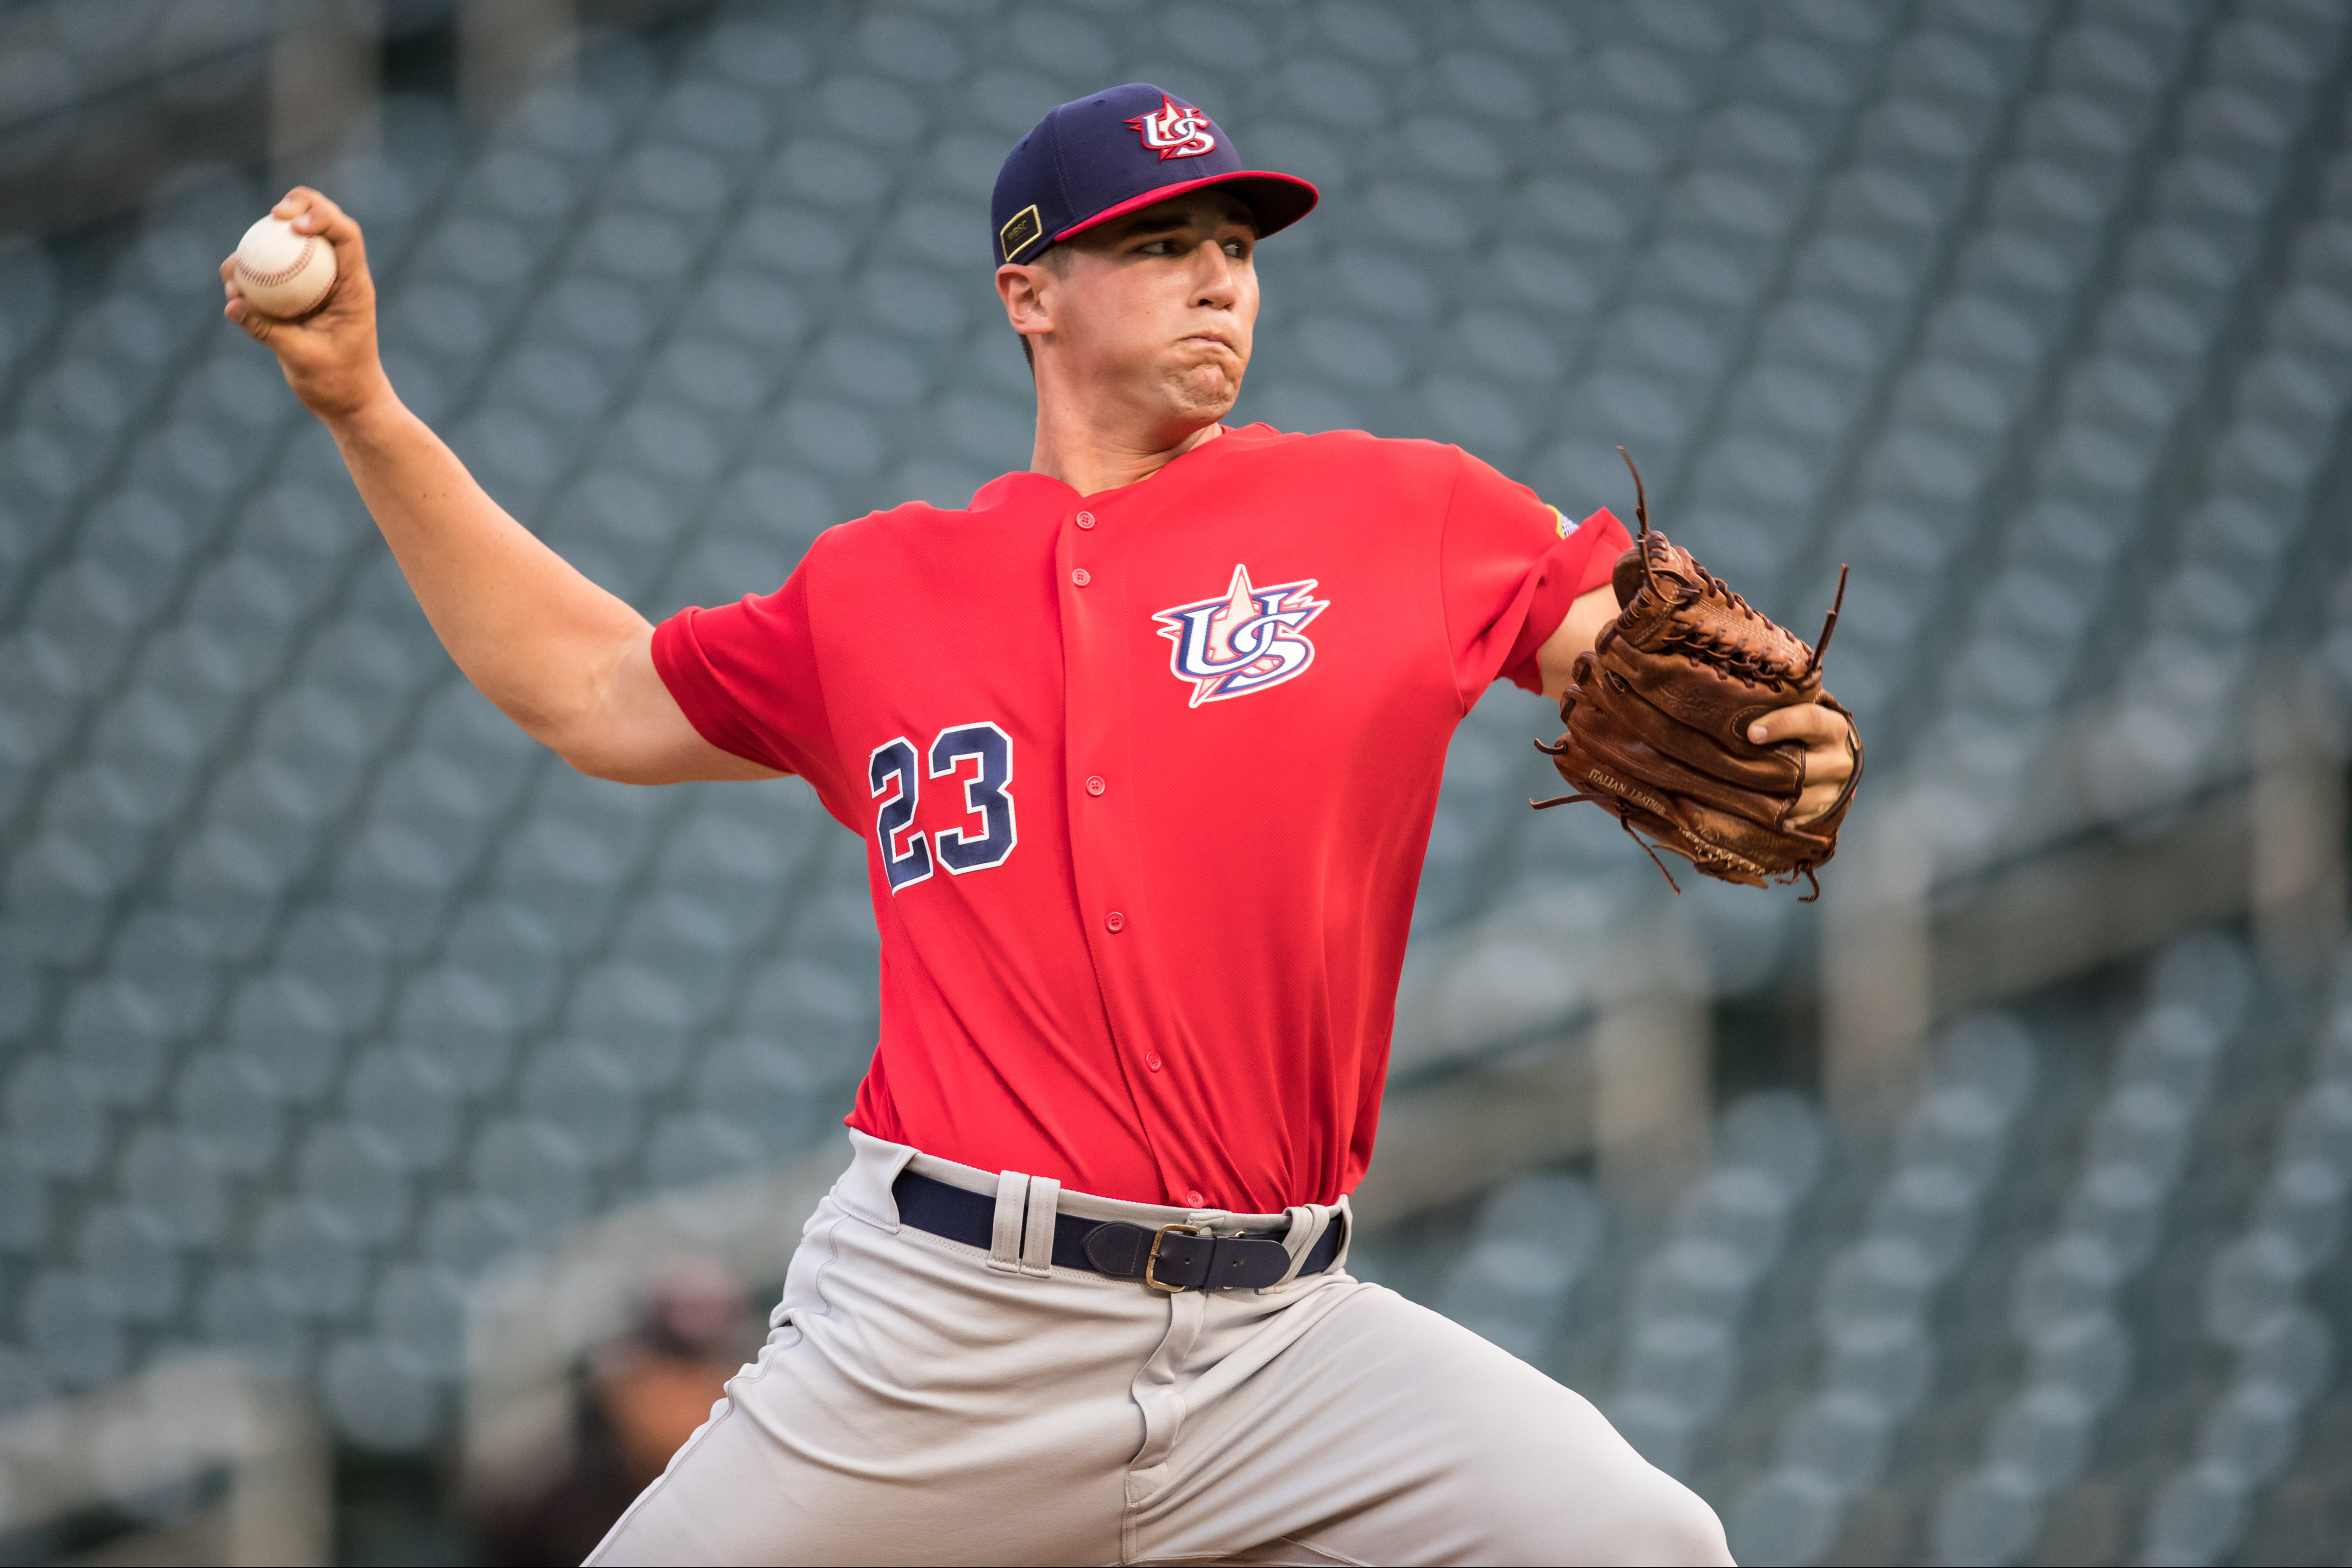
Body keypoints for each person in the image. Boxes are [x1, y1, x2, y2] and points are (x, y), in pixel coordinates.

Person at [229, 81, 1856, 1567]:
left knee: (1641, 1542)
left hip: (1280, 1341)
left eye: (1235, 243)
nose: (1219, 275)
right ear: (1029, 294)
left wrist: (1780, 719)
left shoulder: (1394, 509)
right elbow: (588, 691)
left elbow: (1629, 644)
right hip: (941, 1330)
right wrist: (365, 407)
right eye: (1158, 244)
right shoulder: (877, 591)